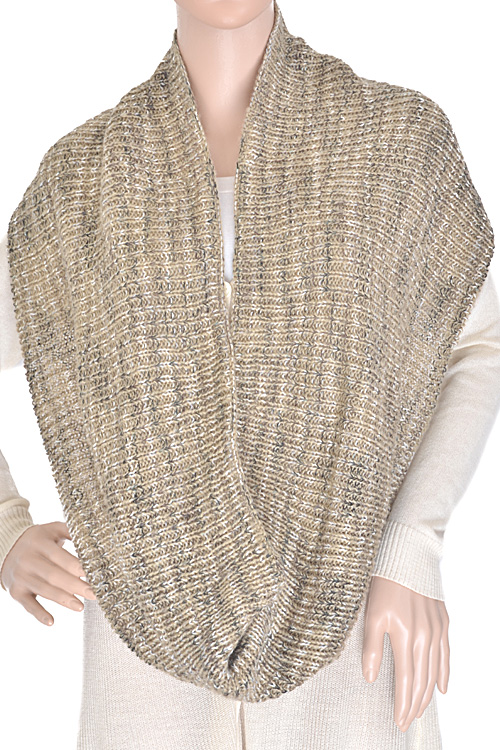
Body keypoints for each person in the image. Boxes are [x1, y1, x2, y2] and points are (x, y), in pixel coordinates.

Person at [1, 2, 499, 748]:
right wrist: (6, 529)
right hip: (145, 648)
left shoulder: (390, 144)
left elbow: (478, 346)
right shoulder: (83, 185)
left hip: (354, 620)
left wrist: (412, 541)